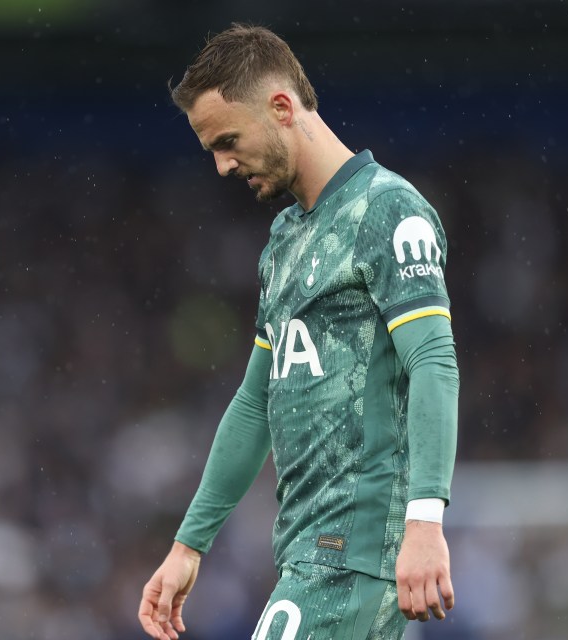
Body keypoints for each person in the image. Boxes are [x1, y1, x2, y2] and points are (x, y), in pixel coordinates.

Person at [139, 23, 459, 640]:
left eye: (227, 141)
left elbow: (433, 362)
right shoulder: (285, 240)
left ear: (281, 107)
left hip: (354, 556)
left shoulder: (389, 210)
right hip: (309, 555)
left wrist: (424, 522)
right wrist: (188, 545)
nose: (221, 165)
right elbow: (255, 402)